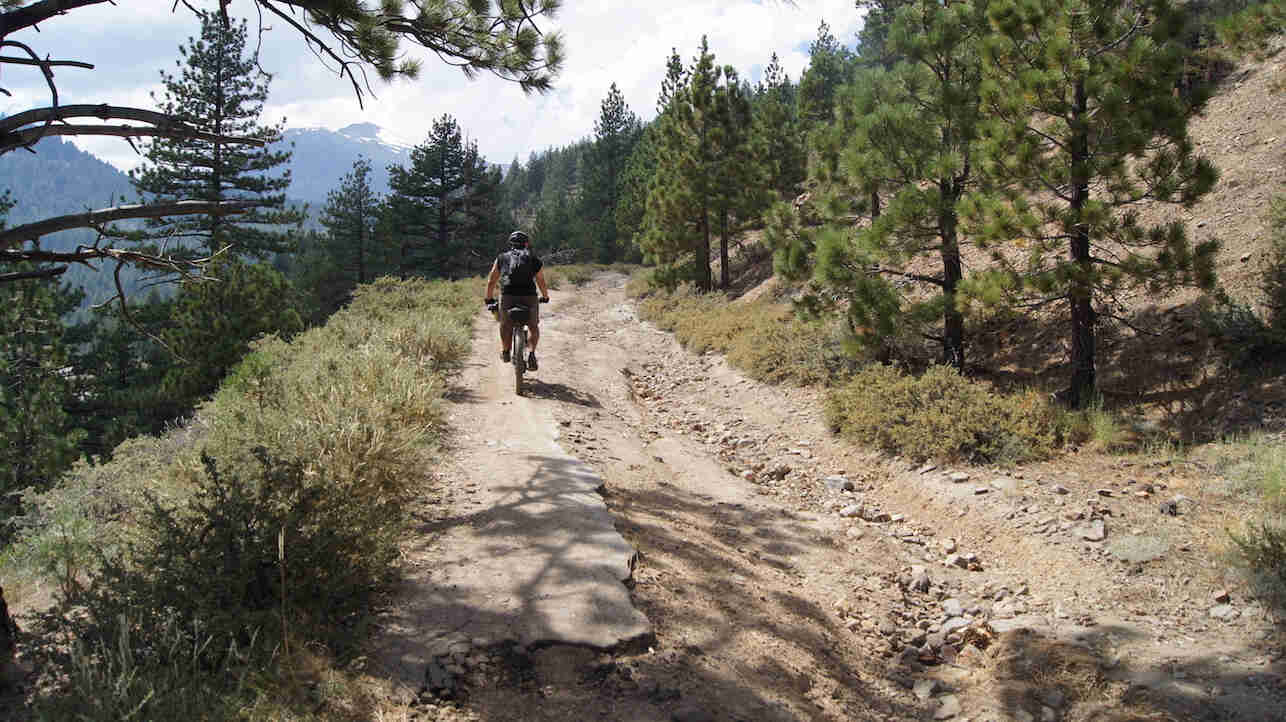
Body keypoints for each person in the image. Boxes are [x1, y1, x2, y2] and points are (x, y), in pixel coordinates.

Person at [484, 230, 550, 370]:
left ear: (511, 243)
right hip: (529, 296)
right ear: (526, 243)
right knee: (533, 325)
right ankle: (531, 353)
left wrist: (488, 298)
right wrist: (545, 296)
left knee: (505, 324)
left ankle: (506, 351)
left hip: (508, 295)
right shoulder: (533, 258)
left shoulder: (502, 258)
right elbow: (541, 281)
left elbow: (491, 280)